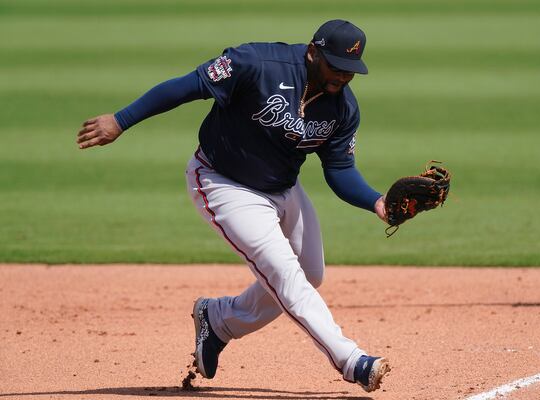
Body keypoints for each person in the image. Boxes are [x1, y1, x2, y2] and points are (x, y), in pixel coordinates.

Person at [77, 19, 390, 392]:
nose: (342, 76)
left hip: (284, 189)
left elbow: (339, 170)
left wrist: (377, 202)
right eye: (335, 66)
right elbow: (186, 87)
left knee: (310, 275)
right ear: (312, 52)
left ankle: (219, 320)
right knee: (284, 273)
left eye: (350, 70)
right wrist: (121, 120)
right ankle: (352, 360)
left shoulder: (343, 108)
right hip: (224, 183)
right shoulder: (255, 63)